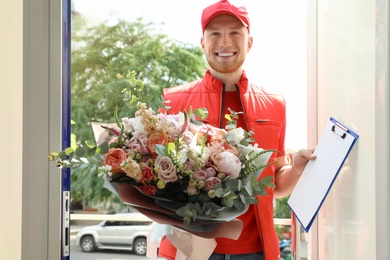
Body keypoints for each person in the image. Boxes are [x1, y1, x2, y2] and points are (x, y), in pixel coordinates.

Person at [158, 0, 316, 259]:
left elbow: (275, 184)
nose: (224, 42)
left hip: (255, 250)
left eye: (234, 33)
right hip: (190, 250)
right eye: (215, 34)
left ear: (249, 42)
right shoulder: (173, 102)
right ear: (203, 42)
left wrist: (297, 168)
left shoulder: (274, 104)